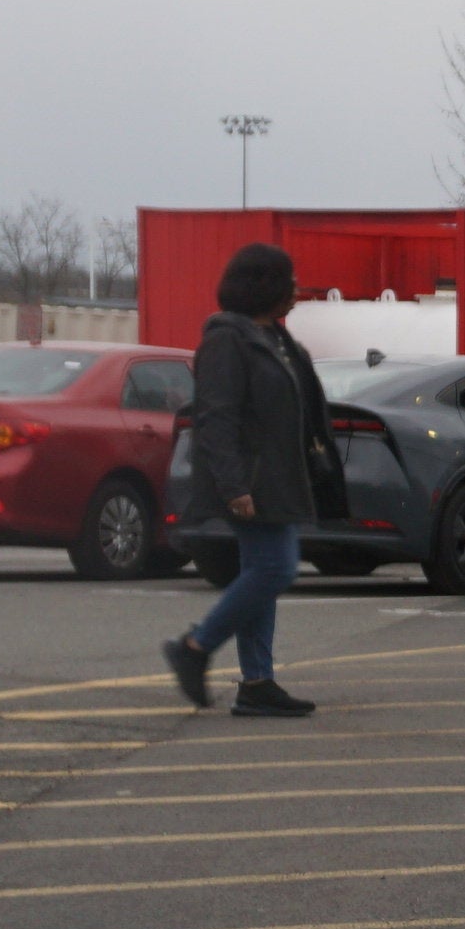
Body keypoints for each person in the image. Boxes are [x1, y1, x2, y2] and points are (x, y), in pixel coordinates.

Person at [162, 241, 337, 719]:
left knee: (262, 572)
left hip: (278, 478)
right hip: (253, 481)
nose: (297, 289)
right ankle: (194, 648)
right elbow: (216, 418)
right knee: (275, 569)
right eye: (289, 281)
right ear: (264, 287)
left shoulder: (277, 340)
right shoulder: (226, 339)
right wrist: (234, 485)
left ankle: (257, 683)